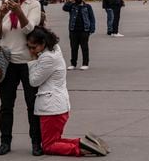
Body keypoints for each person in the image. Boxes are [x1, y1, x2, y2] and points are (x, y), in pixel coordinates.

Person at [27, 26, 109, 157]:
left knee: (48, 146)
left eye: (33, 47)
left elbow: (33, 81)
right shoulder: (55, 49)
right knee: (55, 140)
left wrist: (31, 60)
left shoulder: (47, 58)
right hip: (58, 106)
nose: (31, 50)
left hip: (51, 108)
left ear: (43, 43)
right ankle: (83, 143)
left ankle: (83, 150)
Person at [0, 0, 42, 156]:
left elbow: (29, 29)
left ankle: (36, 141)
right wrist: (2, 14)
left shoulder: (33, 4)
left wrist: (18, 11)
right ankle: (5, 141)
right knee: (6, 105)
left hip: (28, 62)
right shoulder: (0, 4)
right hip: (6, 62)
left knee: (32, 103)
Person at [63, 0, 95, 70]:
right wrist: (70, 0)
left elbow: (92, 18)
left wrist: (92, 28)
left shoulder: (87, 6)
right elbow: (64, 8)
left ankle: (85, 63)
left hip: (84, 29)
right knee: (74, 47)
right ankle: (73, 64)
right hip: (73, 29)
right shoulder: (72, 6)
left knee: (84, 47)